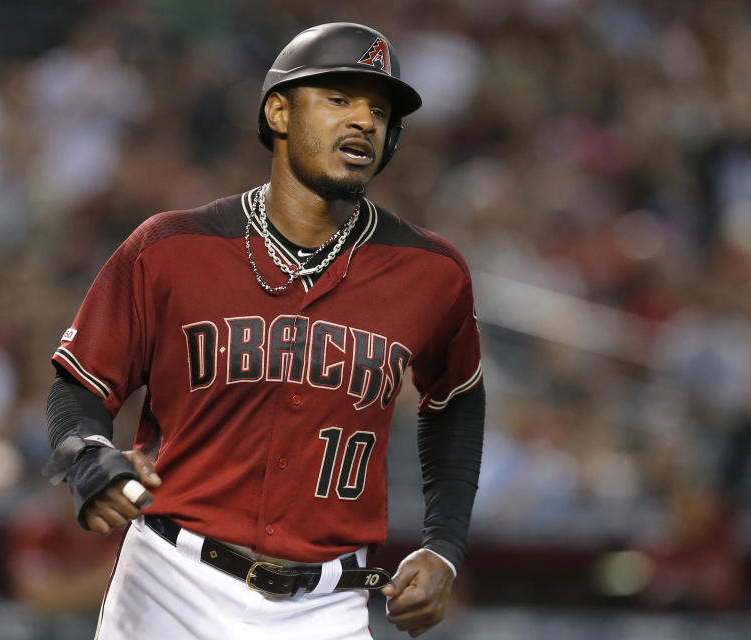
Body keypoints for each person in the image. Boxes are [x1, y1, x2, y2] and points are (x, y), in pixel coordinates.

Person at [43, 22, 484, 639]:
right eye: (339, 99)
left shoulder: (431, 272)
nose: (364, 120)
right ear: (279, 111)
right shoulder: (172, 247)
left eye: (379, 111)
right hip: (171, 580)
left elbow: (457, 402)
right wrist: (86, 453)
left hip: (327, 606)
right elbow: (81, 383)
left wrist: (444, 546)